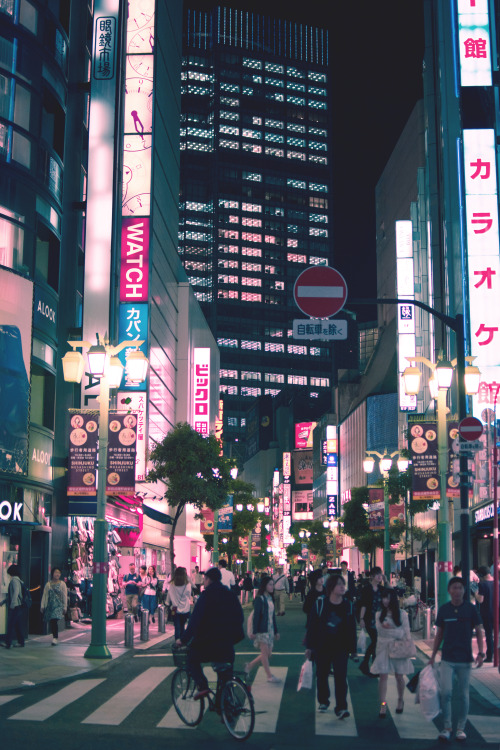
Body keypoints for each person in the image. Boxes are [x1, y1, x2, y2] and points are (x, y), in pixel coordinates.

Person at [429, 576, 485, 743]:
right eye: (454, 587)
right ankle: (447, 727)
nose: (457, 591)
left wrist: (481, 653)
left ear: (464, 590)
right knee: (445, 693)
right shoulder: (444, 610)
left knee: (463, 694)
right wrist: (432, 656)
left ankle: (460, 728)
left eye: (460, 588)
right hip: (447, 657)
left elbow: (479, 630)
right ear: (449, 590)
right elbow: (439, 634)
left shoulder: (470, 609)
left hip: (465, 659)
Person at [177, 567, 244, 698]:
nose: (203, 582)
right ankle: (226, 708)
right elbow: (240, 616)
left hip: (209, 643)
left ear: (208, 579)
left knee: (191, 658)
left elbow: (194, 621)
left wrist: (183, 639)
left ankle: (202, 686)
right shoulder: (229, 594)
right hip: (227, 643)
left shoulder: (206, 596)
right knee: (225, 676)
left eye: (204, 579)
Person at [305, 573, 357, 717]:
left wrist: (353, 649)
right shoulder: (321, 603)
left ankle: (341, 707)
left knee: (341, 677)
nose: (342, 587)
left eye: (343, 584)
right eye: (339, 584)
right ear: (331, 587)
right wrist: (310, 647)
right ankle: (323, 700)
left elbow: (352, 629)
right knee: (322, 674)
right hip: (322, 647)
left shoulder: (348, 605)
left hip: (341, 647)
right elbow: (312, 626)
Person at [370, 588, 413, 717]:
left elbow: (406, 632)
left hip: (398, 647)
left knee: (399, 676)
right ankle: (383, 705)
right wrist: (393, 629)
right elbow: (380, 631)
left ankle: (400, 699)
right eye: (383, 598)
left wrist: (393, 629)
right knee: (382, 676)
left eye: (388, 598)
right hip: (383, 647)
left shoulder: (402, 614)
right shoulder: (379, 614)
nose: (385, 601)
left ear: (393, 599)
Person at [245, 575, 281, 683]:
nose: (272, 587)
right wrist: (255, 632)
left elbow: (272, 616)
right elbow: (256, 616)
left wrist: (276, 631)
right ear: (264, 585)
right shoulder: (259, 599)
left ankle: (249, 666)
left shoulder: (270, 598)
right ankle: (269, 676)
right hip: (262, 630)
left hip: (269, 629)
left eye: (272, 584)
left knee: (267, 653)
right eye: (270, 584)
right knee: (265, 654)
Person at [358, 566, 384, 677]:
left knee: (376, 642)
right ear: (372, 576)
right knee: (376, 641)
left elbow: (390, 595)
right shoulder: (367, 589)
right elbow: (363, 605)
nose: (380, 577)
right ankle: (368, 664)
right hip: (369, 619)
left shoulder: (382, 589)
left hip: (379, 620)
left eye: (381, 574)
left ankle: (369, 665)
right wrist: (361, 619)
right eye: (378, 574)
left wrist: (386, 581)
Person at [474, 565, 497, 663]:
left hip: (487, 612)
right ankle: (497, 655)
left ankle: (490, 656)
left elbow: (481, 599)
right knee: (497, 634)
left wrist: (475, 593)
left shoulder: (482, 584)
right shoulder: (497, 583)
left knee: (489, 635)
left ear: (481, 575)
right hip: (497, 612)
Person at [0, 564, 26, 648]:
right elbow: (11, 594)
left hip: (15, 606)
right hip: (18, 606)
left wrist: (12, 604)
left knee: (10, 625)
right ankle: (21, 642)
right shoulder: (18, 580)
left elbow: (16, 592)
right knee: (17, 625)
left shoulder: (14, 580)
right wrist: (3, 602)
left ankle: (8, 643)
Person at [41, 567, 68, 645]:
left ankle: (55, 638)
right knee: (52, 621)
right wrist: (42, 605)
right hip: (50, 605)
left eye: (59, 573)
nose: (57, 574)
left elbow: (64, 596)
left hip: (58, 606)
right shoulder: (48, 584)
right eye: (56, 572)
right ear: (52, 573)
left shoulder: (62, 584)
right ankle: (54, 637)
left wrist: (65, 606)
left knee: (54, 620)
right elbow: (45, 595)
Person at [166, 566, 192, 640]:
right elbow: (189, 596)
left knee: (177, 627)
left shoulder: (172, 584)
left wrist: (167, 603)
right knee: (182, 626)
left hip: (174, 609)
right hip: (185, 609)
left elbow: (169, 595)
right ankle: (182, 642)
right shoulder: (188, 584)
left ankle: (177, 642)